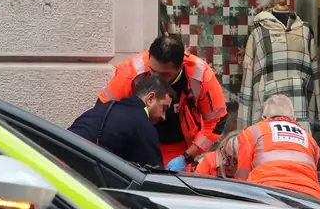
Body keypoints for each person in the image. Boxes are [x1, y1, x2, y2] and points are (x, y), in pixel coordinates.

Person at [97, 35, 228, 171]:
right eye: (153, 72)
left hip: (180, 149)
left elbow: (216, 122)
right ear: (149, 60)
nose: (157, 80)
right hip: (136, 144)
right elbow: (104, 111)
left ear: (180, 67)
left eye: (165, 75)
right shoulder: (131, 72)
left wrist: (186, 157)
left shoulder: (200, 76)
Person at [68, 75, 176, 167]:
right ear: (150, 98)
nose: (163, 117)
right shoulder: (142, 124)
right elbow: (155, 178)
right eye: (164, 108)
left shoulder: (103, 109)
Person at [235, 95, 320, 199]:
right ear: (293, 119)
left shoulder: (251, 132)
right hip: (310, 198)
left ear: (264, 118)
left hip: (266, 193)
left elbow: (242, 176)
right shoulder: (310, 140)